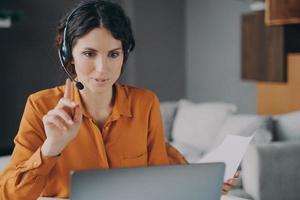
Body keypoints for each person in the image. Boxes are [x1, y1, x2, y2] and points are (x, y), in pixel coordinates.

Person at [0, 0, 238, 199]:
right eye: (89, 54)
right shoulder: (40, 105)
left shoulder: (144, 104)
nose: (103, 69)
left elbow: (162, 175)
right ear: (68, 56)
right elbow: (8, 194)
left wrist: (208, 181)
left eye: (114, 54)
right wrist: (52, 147)